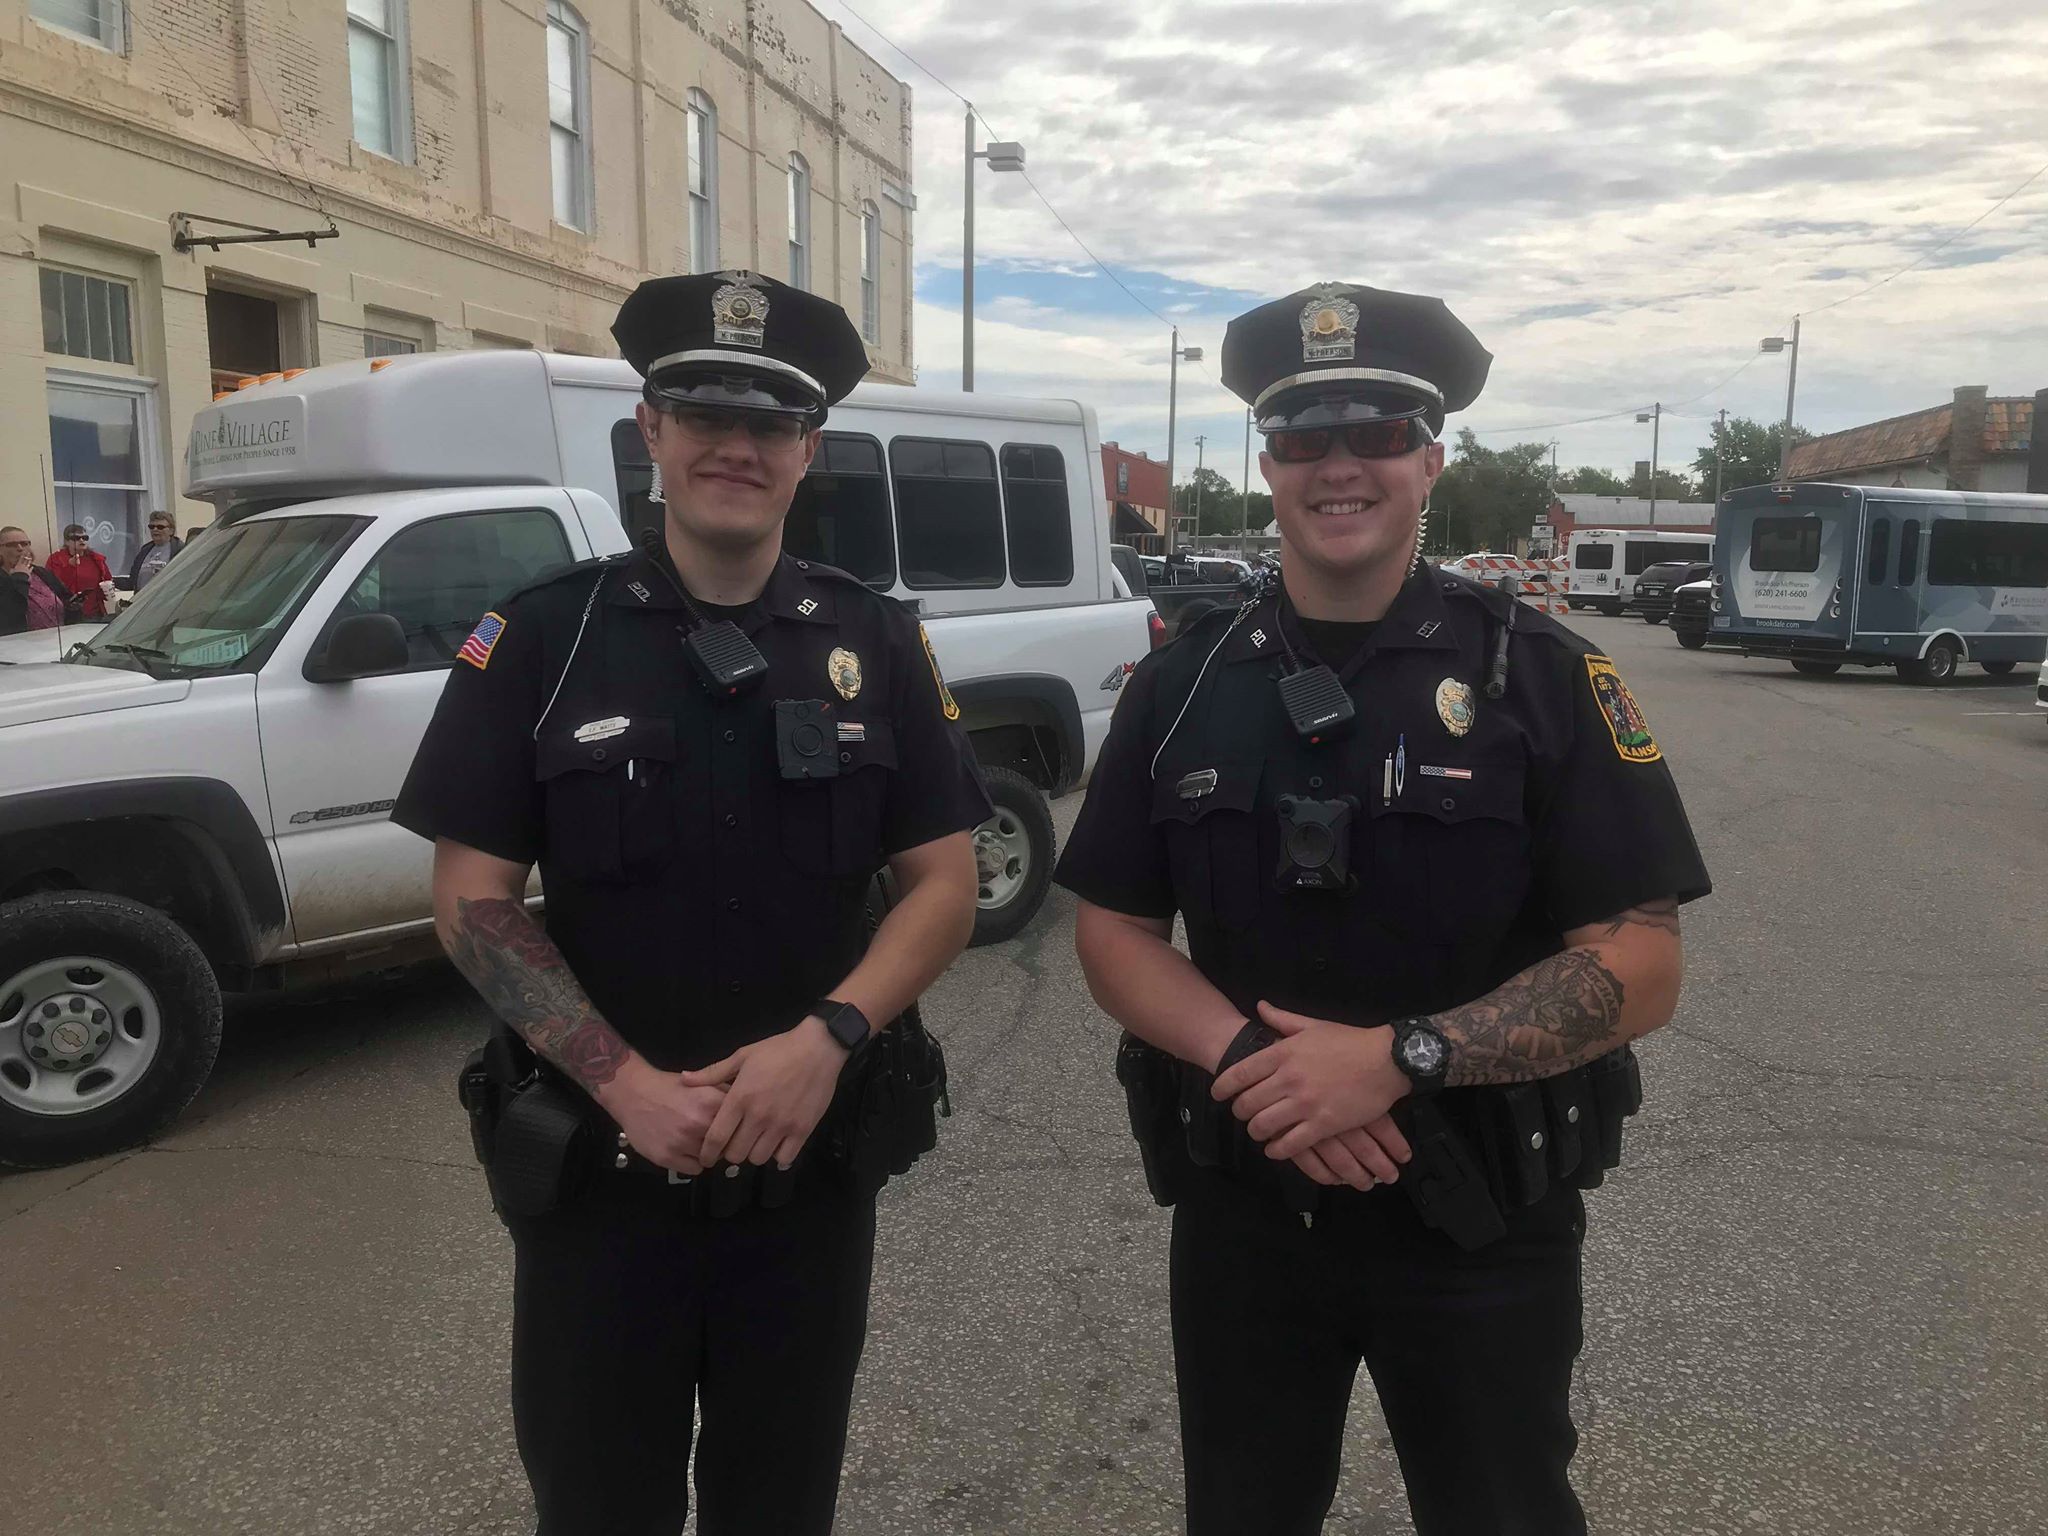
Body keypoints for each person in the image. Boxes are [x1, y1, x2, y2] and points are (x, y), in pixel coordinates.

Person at [1055, 282, 1711, 1535]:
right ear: (1267, 464)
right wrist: (1249, 1062)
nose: (1338, 465)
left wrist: (1399, 1058)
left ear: (1429, 461)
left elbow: (1640, 956)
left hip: (1481, 1220)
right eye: (1303, 437)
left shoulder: (1541, 677)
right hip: (1247, 1210)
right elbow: (1113, 932)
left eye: (1376, 433)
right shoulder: (1182, 683)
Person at [391, 269, 989, 1536]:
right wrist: (624, 1085)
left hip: (807, 1183)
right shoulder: (541, 637)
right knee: (596, 1504)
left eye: (772, 421)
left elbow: (942, 884)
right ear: (650, 430)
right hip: (600, 1184)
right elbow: (471, 900)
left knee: (781, 1504)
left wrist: (827, 1039)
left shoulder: (874, 641)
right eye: (705, 414)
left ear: (807, 450)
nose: (737, 447)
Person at [1, 526, 78, 634]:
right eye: (12, 545)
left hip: (57, 637)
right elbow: (9, 614)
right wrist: (20, 577)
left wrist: (73, 605)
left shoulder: (41, 573)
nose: (20, 548)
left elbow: (64, 598)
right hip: (19, 641)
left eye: (24, 543)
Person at [46, 524, 115, 619]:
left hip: (96, 613)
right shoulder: (56, 559)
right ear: (66, 541)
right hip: (69, 613)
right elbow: (55, 586)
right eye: (76, 538)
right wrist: (69, 567)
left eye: (85, 538)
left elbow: (107, 580)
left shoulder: (96, 559)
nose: (81, 540)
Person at [129, 512, 181, 590]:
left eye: (160, 527)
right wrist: (112, 580)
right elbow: (131, 581)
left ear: (171, 530)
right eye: (152, 527)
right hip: (143, 596)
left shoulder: (179, 549)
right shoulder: (145, 550)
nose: (155, 529)